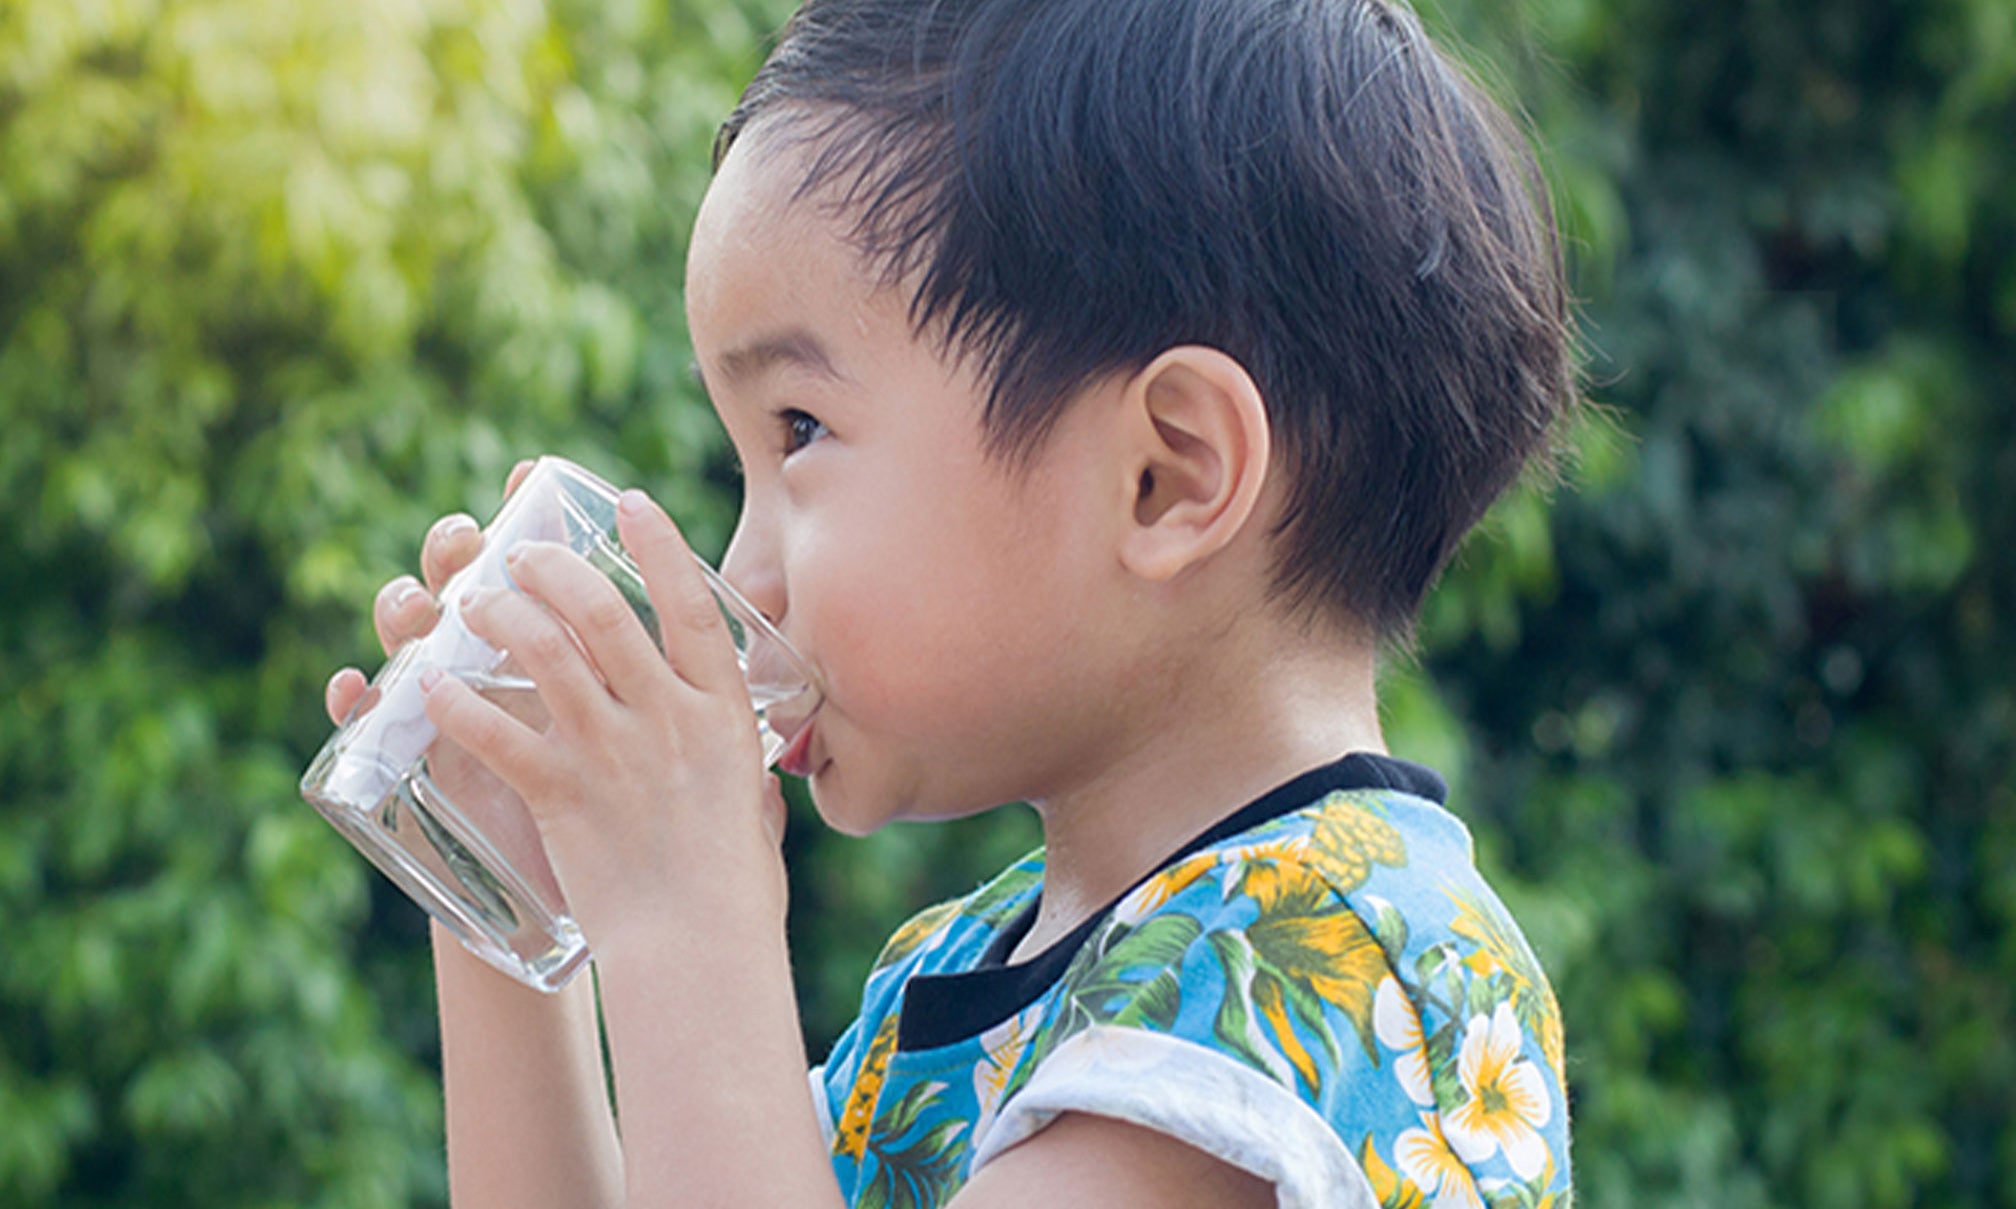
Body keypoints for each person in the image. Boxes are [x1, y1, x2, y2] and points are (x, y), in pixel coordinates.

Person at [322, 0, 1578, 1204]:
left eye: (800, 431)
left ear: (1165, 475)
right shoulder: (954, 972)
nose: (742, 572)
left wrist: (687, 925)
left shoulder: (1324, 972)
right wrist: (502, 897)